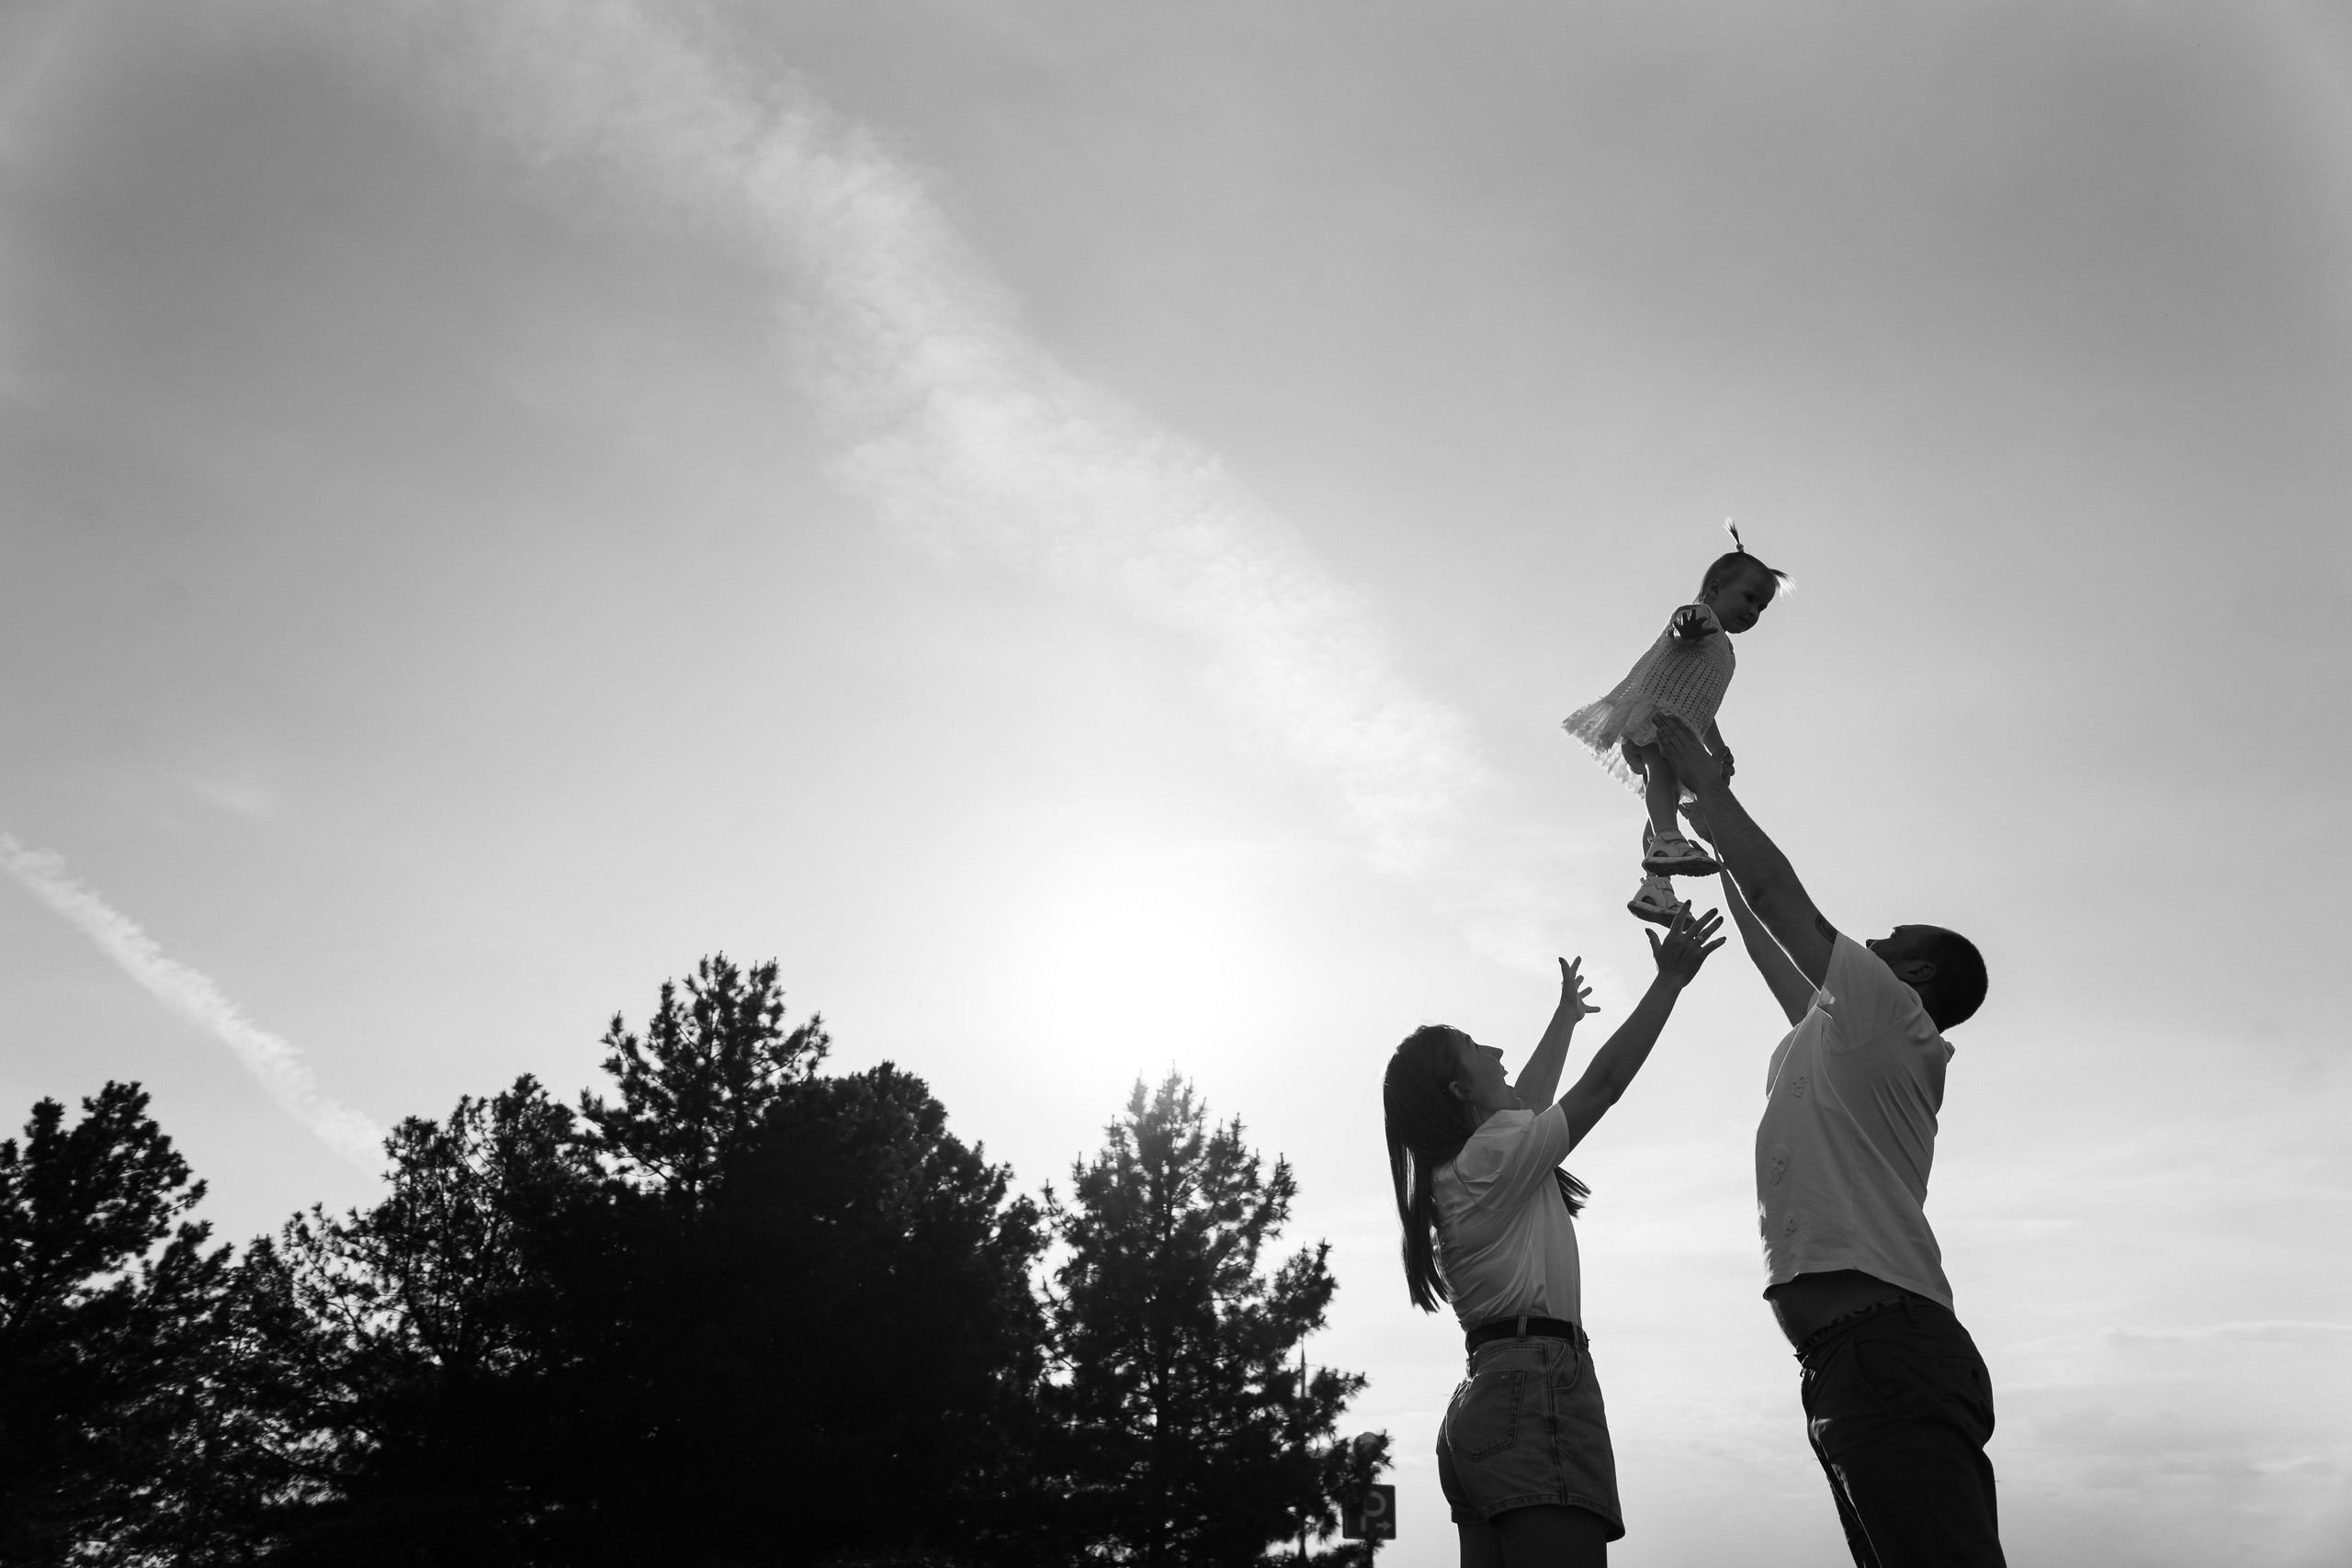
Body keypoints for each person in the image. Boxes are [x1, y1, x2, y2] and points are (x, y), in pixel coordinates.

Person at [1649, 712, 2003, 1568]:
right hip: (1851, 1361)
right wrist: (1701, 831)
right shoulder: (1841, 1026)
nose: (1867, 942)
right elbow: (1768, 924)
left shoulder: (1894, 1014)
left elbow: (1783, 901)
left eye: (1887, 943)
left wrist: (1713, 788)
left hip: (1890, 1352)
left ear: (1912, 974)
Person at [1383, 904, 1724, 1567]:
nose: (1499, 1052)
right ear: (1459, 1088)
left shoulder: (1467, 1168)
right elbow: (1603, 1085)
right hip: (1534, 1389)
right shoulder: (1491, 1159)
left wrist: (1565, 1017)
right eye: (1481, 1050)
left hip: (1484, 1402)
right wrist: (1669, 983)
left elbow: (1526, 1103)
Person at [1561, 524, 1787, 926]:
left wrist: (1716, 746)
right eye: (1749, 598)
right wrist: (1685, 626)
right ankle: (1667, 841)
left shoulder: (1726, 651)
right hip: (1654, 721)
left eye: (1761, 608)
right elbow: (1679, 623)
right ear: (1715, 589)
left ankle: (1656, 887)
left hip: (1679, 730)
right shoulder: (1700, 618)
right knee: (1660, 776)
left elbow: (1704, 705)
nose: (1753, 612)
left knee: (1660, 797)